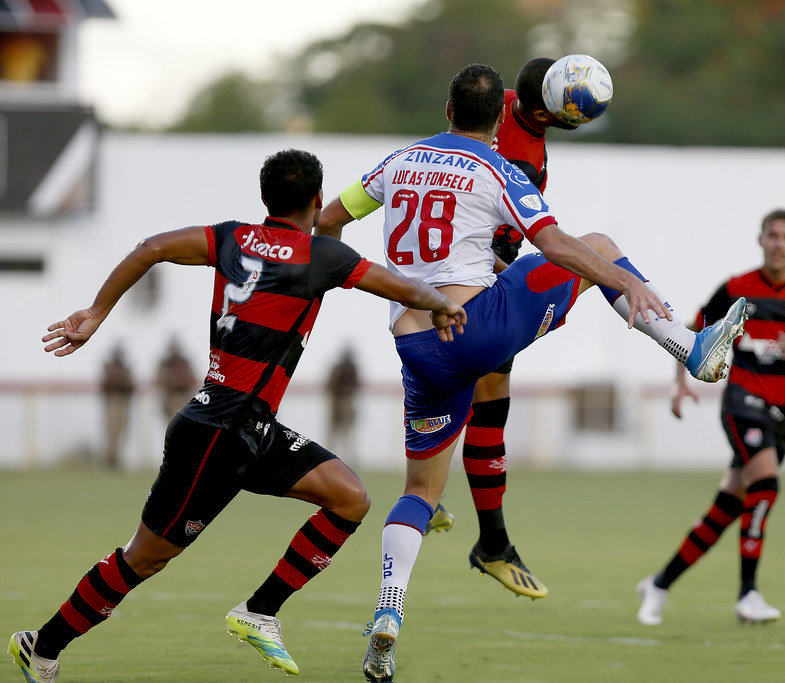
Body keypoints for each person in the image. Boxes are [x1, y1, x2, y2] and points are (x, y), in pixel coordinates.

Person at [314, 62, 748, 682]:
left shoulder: (397, 162)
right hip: (474, 325)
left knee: (418, 494)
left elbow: (329, 221)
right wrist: (621, 277)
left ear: (446, 111)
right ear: (497, 121)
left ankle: (388, 615)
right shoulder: (498, 168)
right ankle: (688, 347)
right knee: (595, 242)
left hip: (415, 349)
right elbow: (556, 245)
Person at [9, 148, 466, 682]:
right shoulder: (321, 255)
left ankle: (259, 612)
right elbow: (398, 286)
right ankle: (41, 646)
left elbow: (151, 247)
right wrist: (440, 302)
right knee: (145, 557)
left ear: (265, 199)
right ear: (318, 201)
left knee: (349, 497)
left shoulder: (229, 237)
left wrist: (95, 313)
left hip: (248, 428)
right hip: (215, 435)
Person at [424, 56, 593, 599]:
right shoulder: (517, 152)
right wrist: (509, 280)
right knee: (488, 396)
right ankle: (483, 537)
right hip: (479, 284)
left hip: (443, 279)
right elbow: (499, 234)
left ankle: (436, 501)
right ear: (542, 113)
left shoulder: (503, 105)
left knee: (477, 394)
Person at [636, 208, 785, 626]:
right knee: (766, 485)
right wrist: (681, 383)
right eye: (772, 235)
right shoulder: (737, 289)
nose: (778, 243)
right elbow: (691, 332)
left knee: (728, 507)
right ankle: (748, 594)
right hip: (742, 403)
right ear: (761, 239)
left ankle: (658, 584)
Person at [100, 343, 134, 468]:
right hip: (113, 400)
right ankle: (110, 459)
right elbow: (108, 383)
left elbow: (130, 385)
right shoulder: (109, 367)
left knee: (121, 430)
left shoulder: (125, 369)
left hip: (123, 401)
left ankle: (116, 458)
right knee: (112, 431)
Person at [326, 345, 361, 459]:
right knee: (334, 429)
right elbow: (330, 385)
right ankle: (329, 454)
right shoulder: (339, 368)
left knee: (346, 429)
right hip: (337, 400)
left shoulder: (352, 368)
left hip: (346, 400)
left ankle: (348, 455)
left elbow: (356, 385)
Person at [155, 336, 197, 420]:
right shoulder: (166, 363)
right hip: (171, 397)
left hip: (184, 396)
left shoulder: (184, 362)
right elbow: (160, 380)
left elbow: (192, 379)